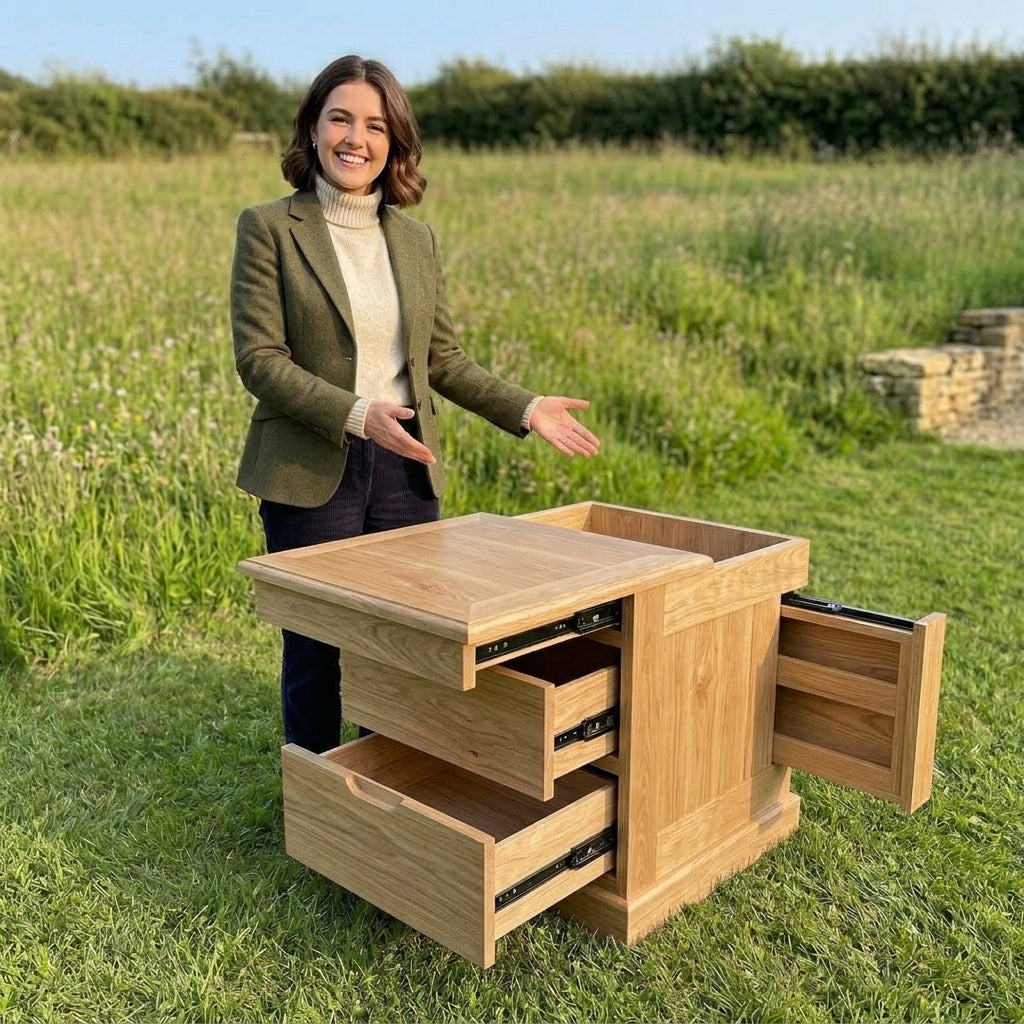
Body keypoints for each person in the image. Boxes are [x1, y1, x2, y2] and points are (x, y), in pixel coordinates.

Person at [231, 55, 600, 753]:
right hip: (312, 466)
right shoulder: (269, 228)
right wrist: (355, 411)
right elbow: (260, 360)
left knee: (401, 644)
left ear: (393, 144)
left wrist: (525, 408)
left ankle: (391, 783)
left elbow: (442, 361)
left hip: (406, 469)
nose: (355, 138)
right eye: (340, 118)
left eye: (375, 126)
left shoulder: (415, 238)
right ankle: (318, 800)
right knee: (317, 648)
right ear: (313, 128)